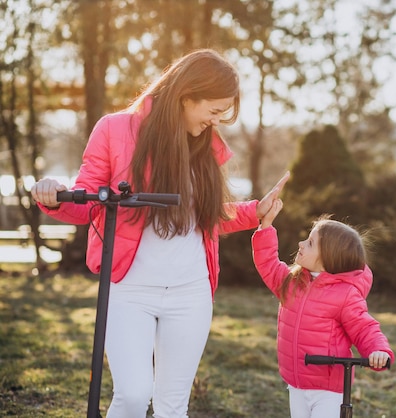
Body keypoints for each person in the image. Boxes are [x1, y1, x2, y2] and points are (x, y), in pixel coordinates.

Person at [31, 48, 289, 418]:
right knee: (133, 396)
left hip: (191, 293)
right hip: (130, 289)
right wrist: (53, 196)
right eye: (214, 110)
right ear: (187, 96)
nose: (216, 121)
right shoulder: (114, 129)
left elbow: (207, 217)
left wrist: (255, 211)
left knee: (172, 407)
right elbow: (88, 203)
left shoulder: (204, 145)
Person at [251, 198, 395, 418]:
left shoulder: (345, 295)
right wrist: (266, 226)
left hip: (328, 388)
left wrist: (379, 351)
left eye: (309, 243)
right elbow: (268, 263)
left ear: (328, 258)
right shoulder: (292, 281)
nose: (300, 244)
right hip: (297, 383)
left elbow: (365, 328)